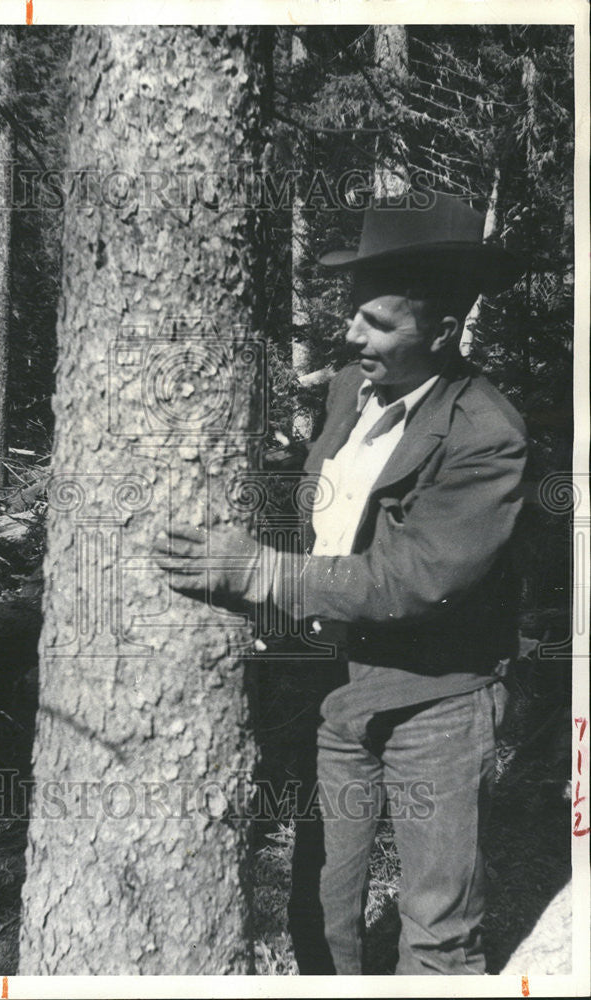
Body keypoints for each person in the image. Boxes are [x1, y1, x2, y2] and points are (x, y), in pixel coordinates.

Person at [155, 192, 528, 975]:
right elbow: (324, 518)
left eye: (379, 323)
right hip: (334, 684)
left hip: (437, 700)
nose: (351, 334)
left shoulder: (485, 433)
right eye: (354, 312)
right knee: (322, 904)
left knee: (436, 923)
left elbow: (413, 577)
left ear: (444, 332)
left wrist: (260, 571)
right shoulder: (345, 394)